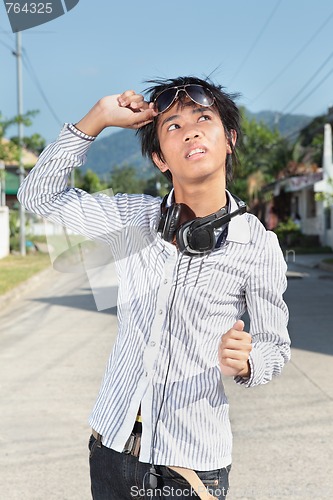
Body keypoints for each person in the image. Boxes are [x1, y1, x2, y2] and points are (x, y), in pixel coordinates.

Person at [18, 76, 290, 500]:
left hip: (190, 469)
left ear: (230, 139)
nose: (192, 130)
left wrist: (250, 361)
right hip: (111, 453)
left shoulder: (257, 244)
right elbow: (37, 196)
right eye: (173, 126)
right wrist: (99, 118)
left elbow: (276, 345)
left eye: (204, 118)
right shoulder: (132, 218)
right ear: (161, 159)